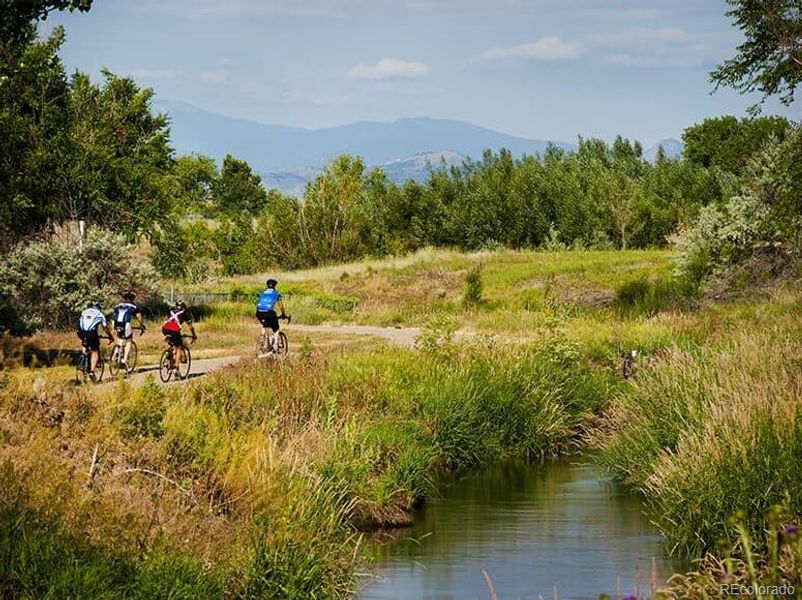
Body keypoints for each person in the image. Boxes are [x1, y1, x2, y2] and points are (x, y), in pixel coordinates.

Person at [77, 301, 113, 380]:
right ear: (99, 308)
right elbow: (105, 327)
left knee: (85, 342)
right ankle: (92, 372)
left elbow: (79, 322)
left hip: (81, 332)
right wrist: (110, 336)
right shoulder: (100, 314)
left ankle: (83, 356)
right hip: (91, 333)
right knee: (95, 351)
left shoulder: (84, 311)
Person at [112, 290, 145, 369]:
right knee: (129, 339)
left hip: (115, 323)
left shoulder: (118, 305)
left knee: (119, 336)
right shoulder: (133, 306)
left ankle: (116, 352)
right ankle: (125, 359)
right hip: (125, 323)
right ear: (132, 298)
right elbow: (139, 317)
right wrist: (141, 325)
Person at [161, 300, 196, 372]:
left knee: (172, 343)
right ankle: (176, 368)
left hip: (165, 329)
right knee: (179, 347)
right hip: (175, 330)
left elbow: (167, 320)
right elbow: (190, 326)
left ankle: (169, 355)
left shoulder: (171, 311)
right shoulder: (185, 313)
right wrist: (193, 334)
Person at [256, 278, 287, 353]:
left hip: (259, 312)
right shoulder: (276, 293)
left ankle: (262, 339)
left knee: (265, 325)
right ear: (274, 286)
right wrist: (283, 314)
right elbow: (281, 306)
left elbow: (261, 303)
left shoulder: (262, 293)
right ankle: (275, 345)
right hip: (269, 312)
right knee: (276, 329)